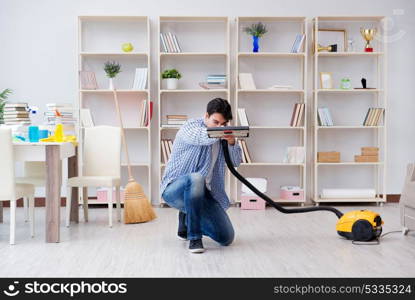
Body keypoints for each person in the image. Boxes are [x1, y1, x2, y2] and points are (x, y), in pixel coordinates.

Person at [160, 98, 242, 253]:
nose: (219, 127)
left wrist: (232, 142)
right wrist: (222, 132)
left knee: (226, 238)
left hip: (203, 194)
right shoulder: (191, 127)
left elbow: (236, 162)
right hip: (174, 190)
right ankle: (194, 237)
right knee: (197, 178)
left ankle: (185, 221)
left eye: (223, 124)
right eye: (215, 122)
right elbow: (200, 137)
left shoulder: (223, 136)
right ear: (206, 116)